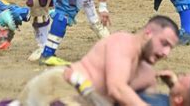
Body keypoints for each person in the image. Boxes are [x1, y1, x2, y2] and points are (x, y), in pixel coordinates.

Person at [19, 16, 181, 105]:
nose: (166, 52)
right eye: (164, 43)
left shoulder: (147, 74)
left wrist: (175, 86)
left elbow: (159, 102)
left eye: (170, 48)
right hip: (61, 86)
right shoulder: (123, 43)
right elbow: (116, 89)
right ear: (148, 33)